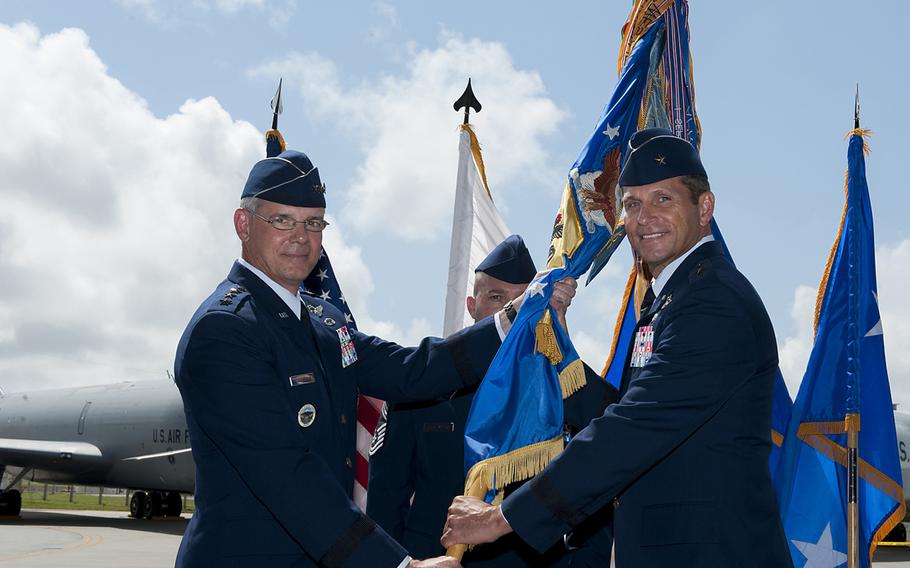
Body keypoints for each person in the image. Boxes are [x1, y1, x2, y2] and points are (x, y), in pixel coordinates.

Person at [173, 149, 578, 568]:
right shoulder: (224, 331)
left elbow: (412, 371)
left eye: (313, 223)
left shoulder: (323, 321)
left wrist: (515, 318)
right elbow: (288, 477)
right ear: (243, 225)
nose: (301, 236)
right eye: (282, 220)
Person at [441, 128, 793, 567]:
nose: (645, 217)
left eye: (663, 198)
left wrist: (501, 517)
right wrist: (559, 348)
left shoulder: (713, 302)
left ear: (705, 208)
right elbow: (628, 408)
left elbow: (635, 426)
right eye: (632, 204)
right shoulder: (673, 297)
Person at [367, 236, 617, 566]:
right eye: (496, 298)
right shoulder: (426, 382)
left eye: (523, 299)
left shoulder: (554, 381)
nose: (510, 311)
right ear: (472, 305)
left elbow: (613, 435)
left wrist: (558, 338)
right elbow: (387, 499)